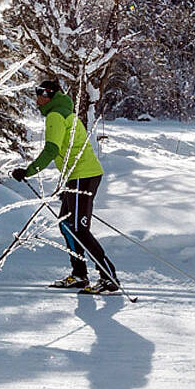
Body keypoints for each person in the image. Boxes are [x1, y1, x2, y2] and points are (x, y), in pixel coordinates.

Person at [13, 79, 120, 294]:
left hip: (84, 175)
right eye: (36, 92)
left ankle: (109, 276)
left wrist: (28, 171)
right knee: (66, 225)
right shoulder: (64, 112)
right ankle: (79, 274)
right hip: (77, 177)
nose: (37, 97)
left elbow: (52, 150)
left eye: (41, 93)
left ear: (50, 95)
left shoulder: (56, 115)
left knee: (79, 229)